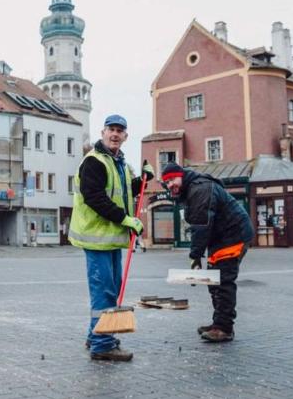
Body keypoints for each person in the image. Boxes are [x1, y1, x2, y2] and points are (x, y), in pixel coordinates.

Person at [69, 114, 153, 361]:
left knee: (110, 290)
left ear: (125, 136)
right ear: (103, 133)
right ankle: (102, 345)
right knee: (104, 292)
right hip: (97, 237)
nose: (115, 134)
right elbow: (94, 197)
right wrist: (125, 219)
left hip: (110, 238)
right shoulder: (95, 161)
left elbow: (124, 192)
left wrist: (143, 180)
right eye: (111, 130)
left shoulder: (119, 164)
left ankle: (95, 335)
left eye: (120, 131)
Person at [160, 163, 254, 342]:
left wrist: (195, 256)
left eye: (172, 179)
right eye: (167, 182)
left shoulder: (200, 189)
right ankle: (218, 323)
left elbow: (201, 226)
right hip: (220, 240)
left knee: (223, 282)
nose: (170, 184)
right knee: (214, 281)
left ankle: (224, 328)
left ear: (181, 175)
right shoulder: (191, 189)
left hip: (233, 236)